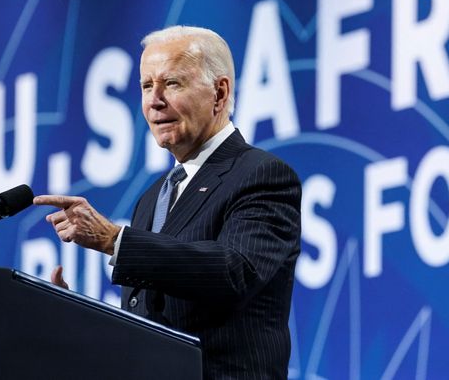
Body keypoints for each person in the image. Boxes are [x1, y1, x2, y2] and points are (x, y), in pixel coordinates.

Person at [34, 26, 302, 379]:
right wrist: (78, 317)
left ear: (219, 93)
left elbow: (235, 271)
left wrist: (115, 241)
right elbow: (146, 328)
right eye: (147, 86)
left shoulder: (261, 174)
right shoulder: (151, 199)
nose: (154, 100)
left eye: (172, 83)